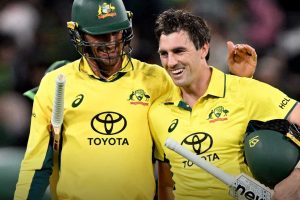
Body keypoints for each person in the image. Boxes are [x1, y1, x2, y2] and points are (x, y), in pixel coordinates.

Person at [14, 0, 258, 199]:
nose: (110, 44)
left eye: (115, 33)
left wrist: (242, 82)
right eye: (99, 37)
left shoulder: (156, 79)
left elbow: (206, 111)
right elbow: (36, 165)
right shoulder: (56, 83)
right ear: (78, 35)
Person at [149, 9, 300, 200]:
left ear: (203, 48)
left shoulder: (245, 90)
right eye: (164, 54)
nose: (171, 62)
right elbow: (167, 185)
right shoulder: (157, 112)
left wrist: (297, 176)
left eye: (179, 51)